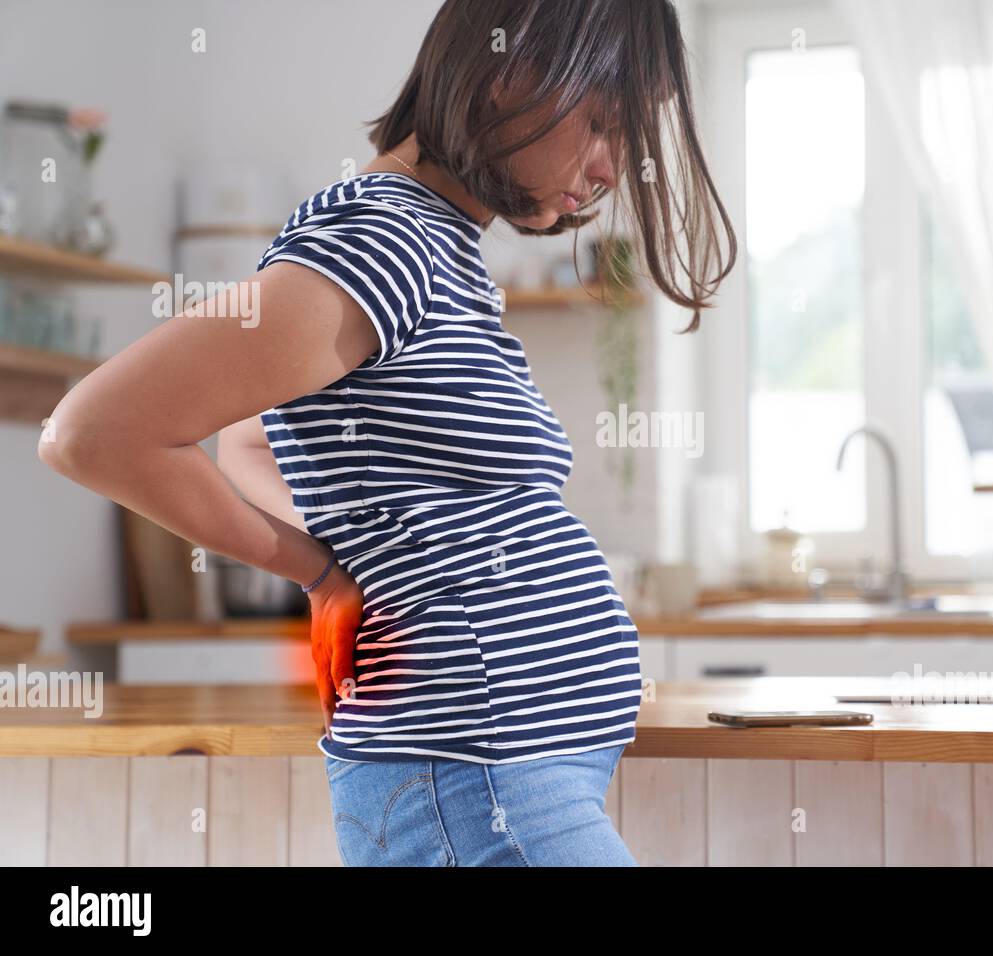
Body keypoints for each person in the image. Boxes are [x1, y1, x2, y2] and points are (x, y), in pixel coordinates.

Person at [37, 0, 733, 866]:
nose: (610, 169)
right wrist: (321, 572)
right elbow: (94, 432)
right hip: (475, 785)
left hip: (492, 783)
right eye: (602, 122)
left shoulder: (432, 246)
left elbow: (249, 442)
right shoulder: (383, 239)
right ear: (506, 68)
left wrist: (353, 555)